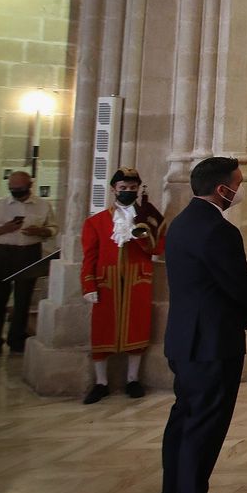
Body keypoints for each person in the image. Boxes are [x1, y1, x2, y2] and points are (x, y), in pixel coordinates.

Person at [158, 156, 247, 493]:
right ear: (221, 189)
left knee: (183, 422)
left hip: (184, 339)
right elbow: (237, 281)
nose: (239, 190)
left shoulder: (181, 224)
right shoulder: (218, 230)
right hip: (212, 343)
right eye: (238, 183)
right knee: (204, 427)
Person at [80, 168, 164, 403]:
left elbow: (157, 249)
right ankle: (101, 382)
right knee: (102, 330)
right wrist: (88, 285)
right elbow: (89, 256)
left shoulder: (148, 218)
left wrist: (143, 235)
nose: (128, 192)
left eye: (132, 188)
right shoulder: (96, 222)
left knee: (136, 327)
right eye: (123, 188)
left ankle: (132, 379)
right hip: (106, 281)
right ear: (114, 189)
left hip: (138, 279)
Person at [0, 170, 55, 359]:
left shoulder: (43, 205)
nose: (16, 192)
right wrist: (3, 229)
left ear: (29, 186)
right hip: (2, 253)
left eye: (20, 189)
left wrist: (41, 231)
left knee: (23, 298)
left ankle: (17, 340)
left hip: (29, 253)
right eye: (12, 189)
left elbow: (54, 228)